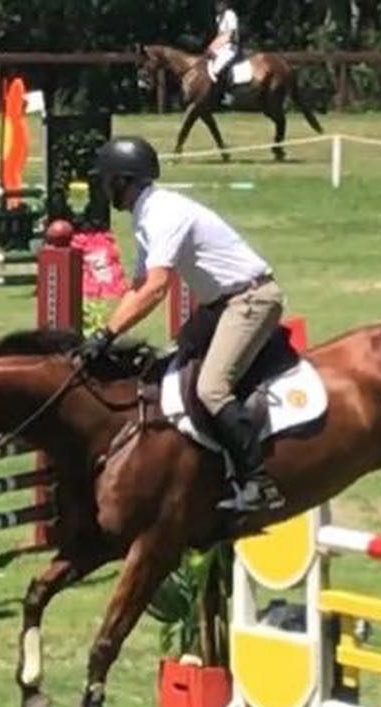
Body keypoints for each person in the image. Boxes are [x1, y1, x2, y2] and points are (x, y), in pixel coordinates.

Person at [79, 136, 286, 514]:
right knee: (175, 357)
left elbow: (157, 287)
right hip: (220, 303)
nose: (104, 189)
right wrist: (102, 334)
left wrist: (107, 334)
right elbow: (139, 286)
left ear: (121, 181)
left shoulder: (162, 213)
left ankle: (259, 482)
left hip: (251, 299)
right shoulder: (146, 213)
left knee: (211, 388)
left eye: (106, 181)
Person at [208, 0, 240, 102]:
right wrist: (211, 48)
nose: (216, 6)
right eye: (216, 4)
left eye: (219, 4)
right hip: (221, 47)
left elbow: (229, 35)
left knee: (216, 68)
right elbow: (219, 36)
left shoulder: (230, 15)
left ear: (225, 4)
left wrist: (213, 47)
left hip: (231, 47)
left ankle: (226, 94)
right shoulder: (218, 18)